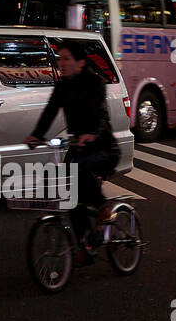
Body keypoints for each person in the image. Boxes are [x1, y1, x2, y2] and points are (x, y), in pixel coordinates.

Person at [24, 42, 121, 265]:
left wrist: (92, 134)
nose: (62, 63)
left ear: (81, 62)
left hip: (104, 148)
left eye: (67, 59)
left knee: (80, 171)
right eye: (60, 59)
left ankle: (102, 207)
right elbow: (49, 112)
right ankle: (86, 246)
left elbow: (101, 115)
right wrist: (36, 135)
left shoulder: (95, 83)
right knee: (71, 197)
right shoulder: (62, 87)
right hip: (79, 148)